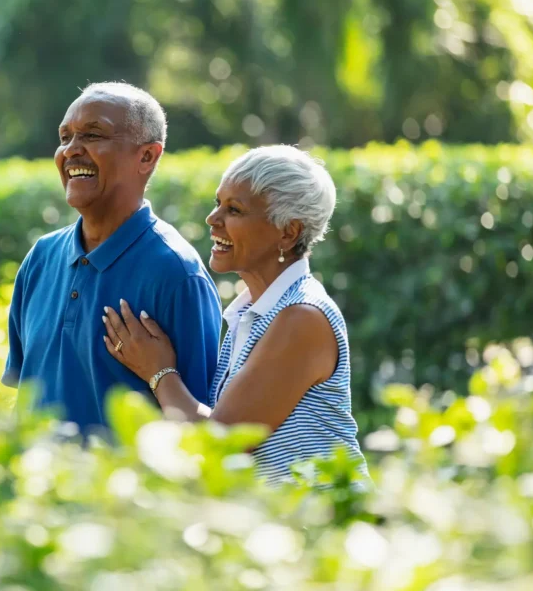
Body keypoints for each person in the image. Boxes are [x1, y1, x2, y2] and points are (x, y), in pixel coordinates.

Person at [101, 145, 370, 484]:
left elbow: (221, 444)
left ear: (288, 232)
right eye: (218, 204)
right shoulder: (253, 313)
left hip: (324, 524)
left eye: (234, 210)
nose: (213, 220)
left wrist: (159, 371)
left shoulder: (302, 317)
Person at [2, 82, 222, 437]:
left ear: (147, 156)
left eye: (92, 134)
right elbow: (23, 398)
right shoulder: (41, 258)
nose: (71, 150)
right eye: (65, 137)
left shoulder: (177, 274)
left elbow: (197, 430)